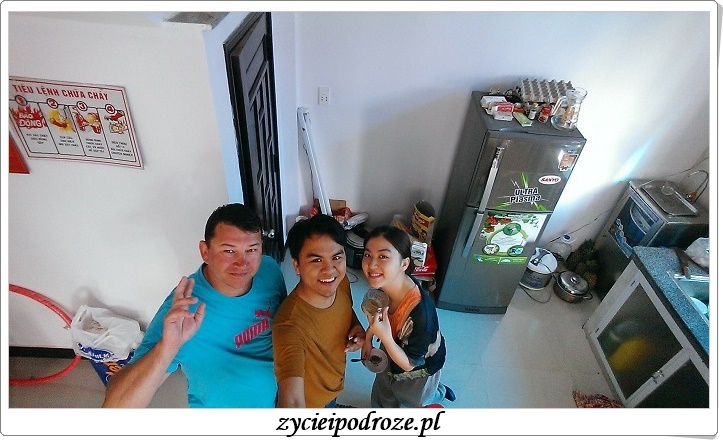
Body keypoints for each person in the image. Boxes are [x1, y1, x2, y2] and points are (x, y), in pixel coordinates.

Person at [102, 203, 287, 408]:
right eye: (229, 251)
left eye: (251, 250)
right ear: (205, 251)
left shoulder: (269, 270)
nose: (242, 263)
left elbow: (285, 327)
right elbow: (116, 408)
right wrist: (167, 348)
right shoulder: (184, 310)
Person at [272, 214, 366, 408]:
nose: (329, 270)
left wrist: (356, 325)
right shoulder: (289, 325)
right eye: (316, 260)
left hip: (334, 386)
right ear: (297, 265)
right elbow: (292, 401)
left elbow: (346, 308)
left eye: (336, 257)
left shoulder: (341, 283)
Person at [360, 225, 455, 408]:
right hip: (393, 344)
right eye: (367, 255)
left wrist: (385, 338)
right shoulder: (385, 284)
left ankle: (438, 392)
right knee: (383, 390)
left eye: (383, 256)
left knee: (411, 397)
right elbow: (378, 317)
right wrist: (368, 338)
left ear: (404, 264)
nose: (371, 265)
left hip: (419, 364)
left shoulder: (421, 317)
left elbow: (409, 365)